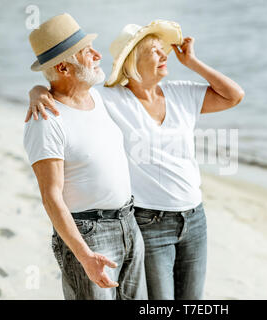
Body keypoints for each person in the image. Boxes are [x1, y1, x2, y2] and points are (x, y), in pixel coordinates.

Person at [26, 20, 244, 299]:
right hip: (146, 221)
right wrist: (39, 92)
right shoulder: (111, 99)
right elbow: (67, 94)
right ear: (131, 61)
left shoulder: (176, 94)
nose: (164, 55)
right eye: (154, 50)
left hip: (182, 218)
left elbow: (234, 96)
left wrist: (193, 62)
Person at [23, 13, 147, 300]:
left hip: (129, 221)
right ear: (64, 67)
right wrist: (84, 254)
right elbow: (51, 197)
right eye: (87, 52)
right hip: (89, 234)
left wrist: (37, 88)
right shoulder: (45, 120)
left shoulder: (98, 98)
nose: (97, 54)